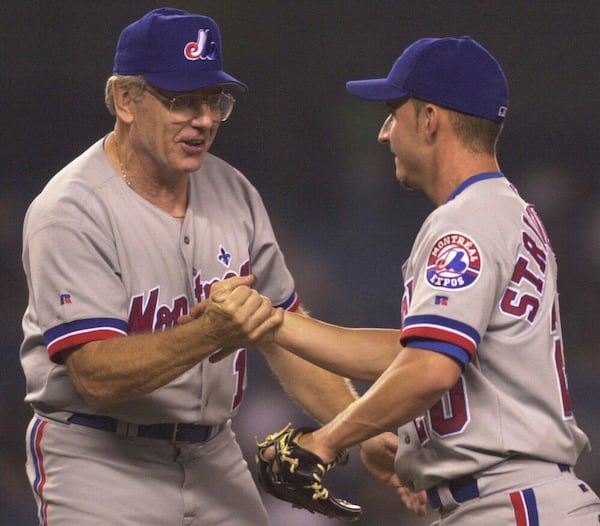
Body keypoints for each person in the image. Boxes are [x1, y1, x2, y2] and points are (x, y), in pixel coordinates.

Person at [18, 8, 396, 525]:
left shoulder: (234, 192)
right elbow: (95, 377)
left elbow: (287, 335)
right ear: (126, 100)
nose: (204, 118)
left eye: (213, 100)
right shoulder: (72, 209)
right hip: (99, 457)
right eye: (181, 101)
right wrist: (208, 333)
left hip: (213, 452)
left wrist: (358, 427)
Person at [208, 36, 600, 524]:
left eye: (394, 112)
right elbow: (413, 353)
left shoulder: (466, 221)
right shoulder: (504, 211)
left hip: (508, 504)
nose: (384, 132)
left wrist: (327, 441)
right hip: (515, 499)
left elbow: (430, 370)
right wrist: (270, 324)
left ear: (430, 119)